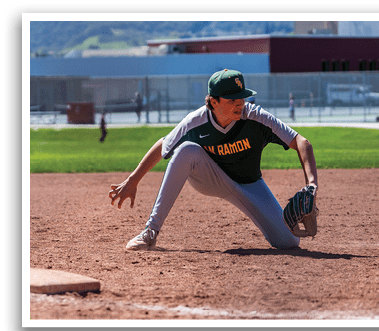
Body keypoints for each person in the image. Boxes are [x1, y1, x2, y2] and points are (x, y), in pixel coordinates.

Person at [109, 69, 318, 251]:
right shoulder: (195, 122)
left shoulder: (256, 117)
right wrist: (133, 180)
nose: (240, 104)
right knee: (186, 151)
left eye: (242, 98)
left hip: (250, 185)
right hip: (210, 178)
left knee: (289, 241)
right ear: (213, 101)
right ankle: (150, 232)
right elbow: (163, 146)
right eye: (232, 100)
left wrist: (311, 184)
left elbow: (301, 141)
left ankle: (282, 233)